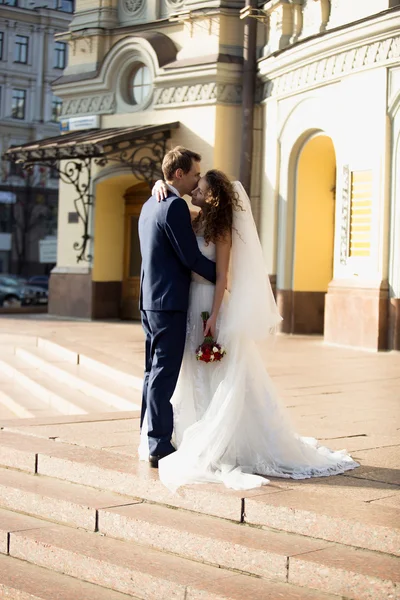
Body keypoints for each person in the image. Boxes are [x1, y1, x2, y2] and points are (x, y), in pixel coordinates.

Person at [140, 169, 359, 491]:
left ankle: (225, 440)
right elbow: (168, 198)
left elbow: (223, 276)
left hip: (210, 306)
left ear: (211, 195)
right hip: (189, 303)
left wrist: (214, 315)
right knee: (194, 372)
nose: (194, 193)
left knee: (220, 372)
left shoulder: (224, 230)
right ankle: (193, 432)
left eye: (200, 189)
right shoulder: (195, 218)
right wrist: (159, 183)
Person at [138, 147, 216, 468]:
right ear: (180, 174)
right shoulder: (173, 208)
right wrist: (224, 278)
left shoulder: (150, 203)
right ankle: (158, 443)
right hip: (168, 303)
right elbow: (192, 259)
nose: (198, 178)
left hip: (149, 301)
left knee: (151, 371)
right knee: (163, 372)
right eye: (196, 174)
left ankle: (147, 434)